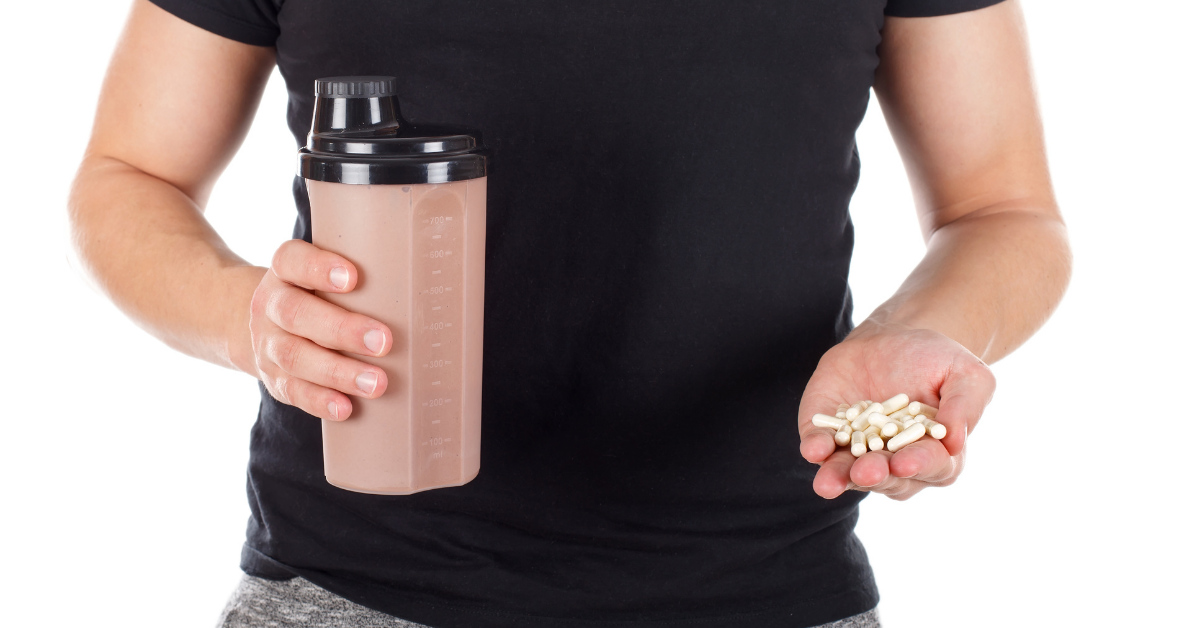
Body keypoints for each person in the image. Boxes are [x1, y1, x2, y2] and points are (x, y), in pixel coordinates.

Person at [68, 0, 1071, 626]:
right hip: (356, 589)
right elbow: (128, 176)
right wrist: (250, 316)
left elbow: (1004, 209)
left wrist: (918, 333)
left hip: (767, 591)